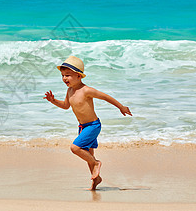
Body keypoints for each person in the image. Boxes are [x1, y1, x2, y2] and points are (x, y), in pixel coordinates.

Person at [43, 56, 132, 190]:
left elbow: (105, 97)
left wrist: (121, 107)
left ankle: (97, 164)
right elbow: (66, 106)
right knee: (89, 155)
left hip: (93, 126)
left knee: (75, 148)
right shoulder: (70, 91)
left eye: (68, 75)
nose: (64, 78)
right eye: (62, 76)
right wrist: (53, 101)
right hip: (82, 127)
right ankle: (96, 180)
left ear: (79, 76)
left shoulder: (86, 90)